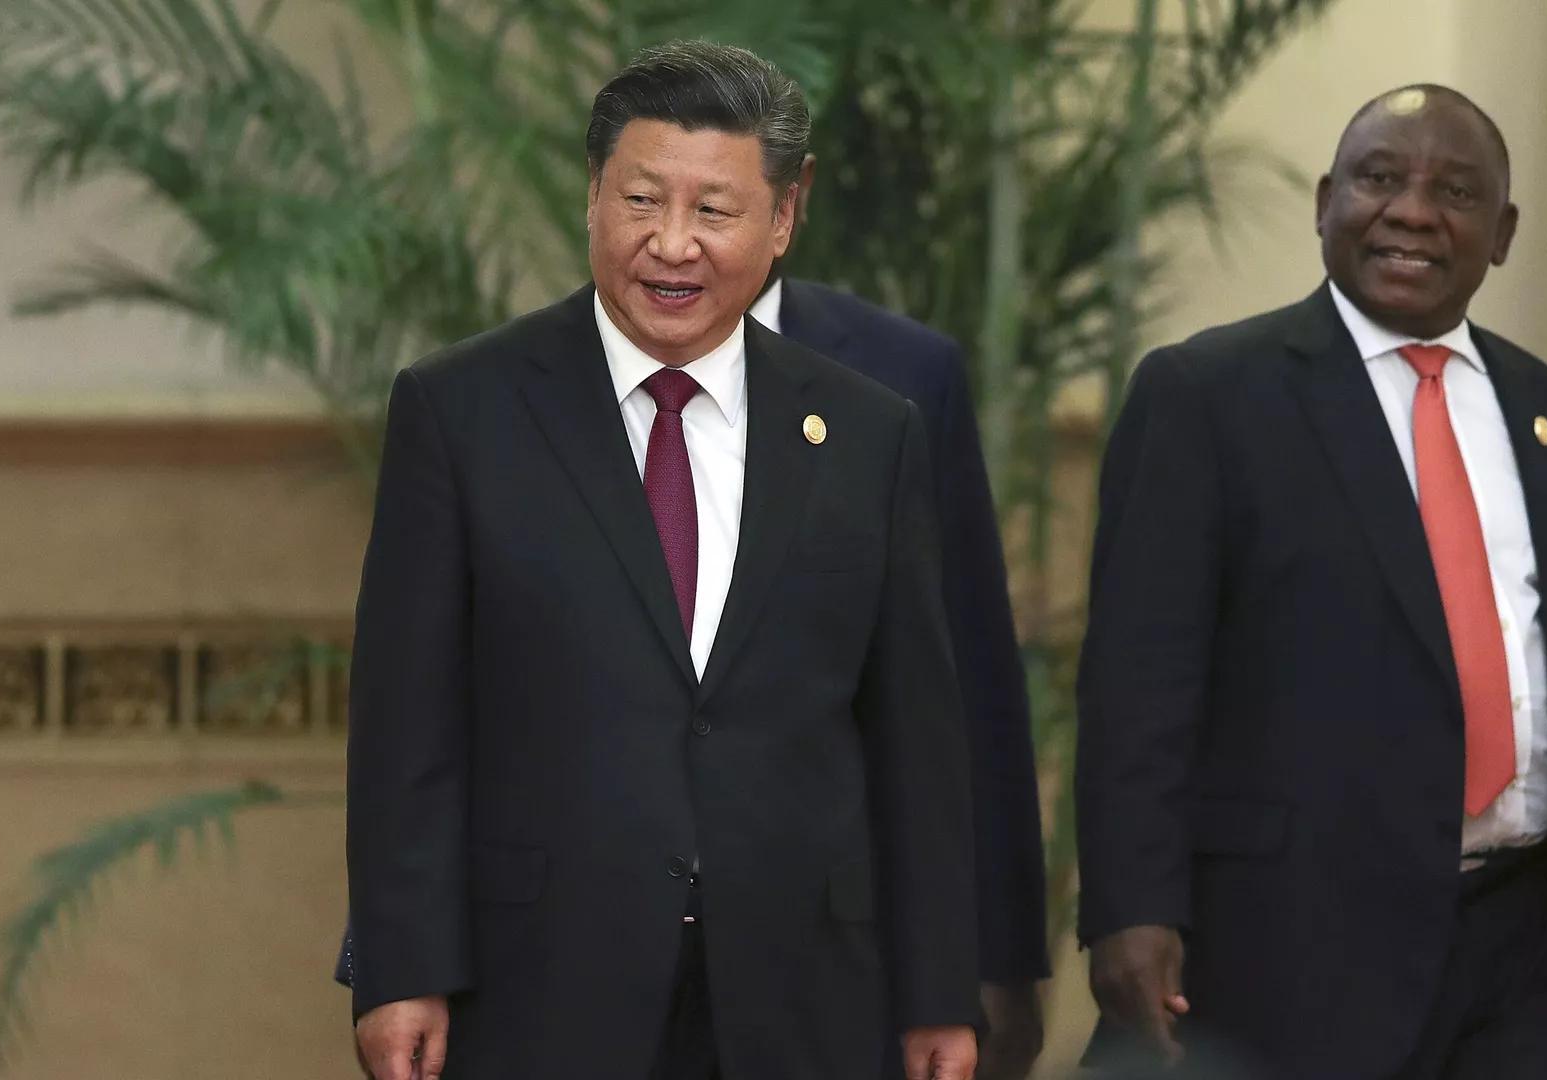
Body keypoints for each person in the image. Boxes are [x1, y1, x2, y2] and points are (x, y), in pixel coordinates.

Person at [335, 155, 1051, 1080]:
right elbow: (406, 726)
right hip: (539, 983)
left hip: (804, 994)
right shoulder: (460, 406)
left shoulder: (869, 430)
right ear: (593, 196)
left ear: (783, 219)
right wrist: (400, 969)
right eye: (641, 200)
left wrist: (940, 991)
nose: (672, 243)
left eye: (713, 209)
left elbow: (917, 740)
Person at [1075, 84, 1547, 1079]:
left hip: (1532, 940)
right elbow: (1139, 684)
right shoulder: (1207, 396)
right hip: (1297, 933)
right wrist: (1131, 906)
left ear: (1503, 234)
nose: (1412, 211)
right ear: (1327, 203)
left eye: (1456, 192)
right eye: (1380, 179)